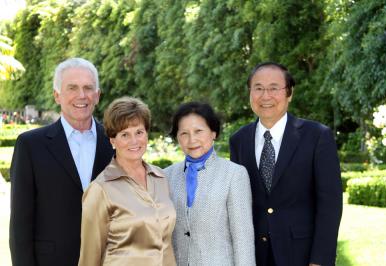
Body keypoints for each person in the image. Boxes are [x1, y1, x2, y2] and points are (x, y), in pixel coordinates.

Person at [229, 62, 343, 266]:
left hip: (301, 255)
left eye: (274, 88)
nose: (265, 96)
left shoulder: (317, 136)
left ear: (289, 93)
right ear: (250, 93)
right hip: (253, 256)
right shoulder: (239, 140)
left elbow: (330, 205)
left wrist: (320, 260)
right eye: (258, 88)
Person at [9, 58, 114, 266]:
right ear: (57, 95)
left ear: (97, 95)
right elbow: (20, 225)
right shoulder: (30, 145)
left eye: (88, 88)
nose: (81, 95)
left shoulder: (115, 142)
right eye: (72, 88)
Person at [78, 96, 176, 266]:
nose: (134, 141)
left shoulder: (161, 178)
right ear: (112, 140)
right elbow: (89, 258)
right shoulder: (100, 190)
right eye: (125, 134)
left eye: (139, 132)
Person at [165, 102, 255, 266]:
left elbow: (243, 239)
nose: (192, 140)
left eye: (199, 131)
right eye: (184, 133)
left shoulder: (234, 174)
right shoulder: (166, 175)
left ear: (213, 132)